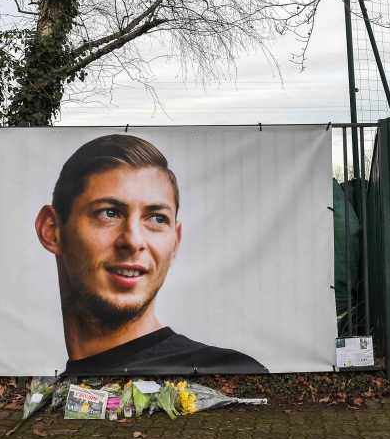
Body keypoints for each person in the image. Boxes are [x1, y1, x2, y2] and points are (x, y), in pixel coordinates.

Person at [34, 134, 266, 375]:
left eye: (157, 218)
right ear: (52, 230)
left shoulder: (225, 373)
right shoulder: (59, 395)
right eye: (109, 213)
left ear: (175, 243)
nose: (133, 241)